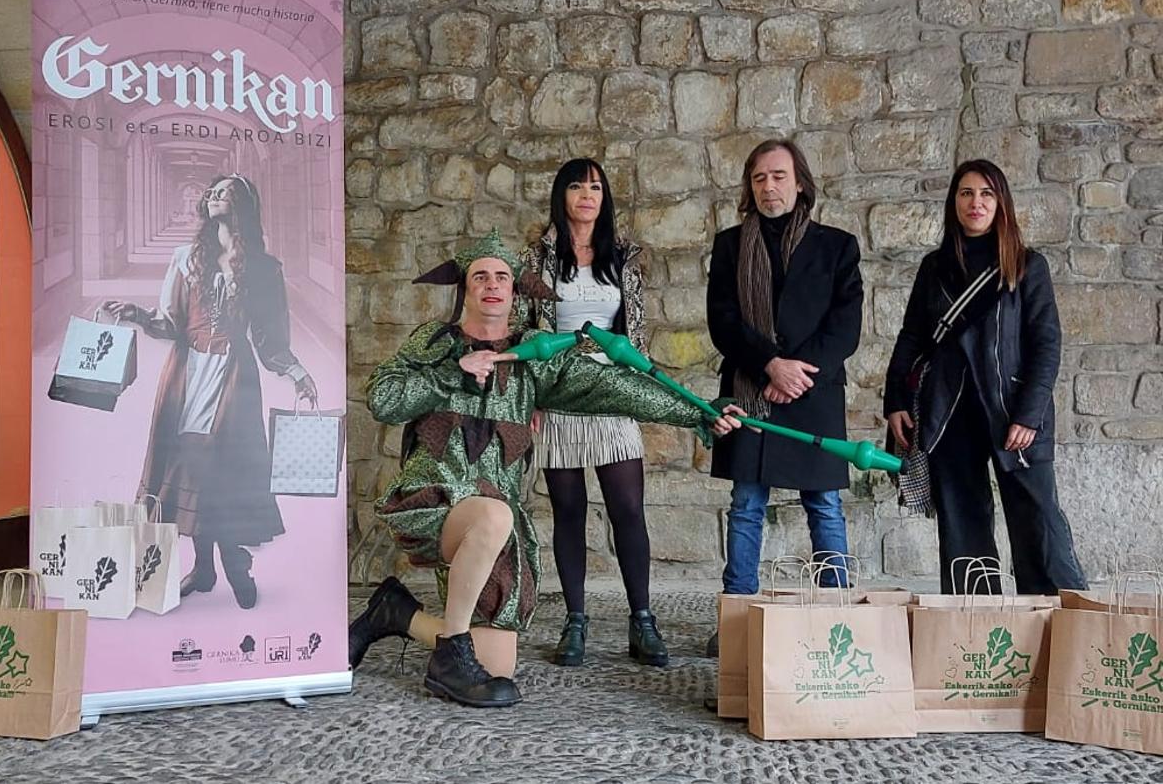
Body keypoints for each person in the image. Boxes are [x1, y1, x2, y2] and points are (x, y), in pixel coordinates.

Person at [345, 229, 741, 707]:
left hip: (495, 528)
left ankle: (396, 614)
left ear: (515, 291)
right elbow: (383, 399)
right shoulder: (436, 341)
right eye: (480, 276)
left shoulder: (536, 355)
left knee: (497, 666)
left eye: (502, 277)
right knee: (493, 514)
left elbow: (613, 386)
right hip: (439, 503)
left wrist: (698, 412)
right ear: (465, 288)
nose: (492, 284)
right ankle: (451, 655)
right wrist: (453, 371)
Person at [105, 174, 317, 610]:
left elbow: (269, 337)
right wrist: (137, 315)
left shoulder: (263, 267)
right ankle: (204, 567)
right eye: (214, 191)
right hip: (186, 375)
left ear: (244, 205)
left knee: (226, 471)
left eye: (228, 192)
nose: (217, 195)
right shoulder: (186, 257)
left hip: (234, 380)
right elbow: (170, 322)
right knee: (189, 466)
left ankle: (234, 564)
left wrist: (297, 372)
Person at [883, 159, 1086, 595]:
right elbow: (912, 337)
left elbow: (1046, 346)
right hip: (949, 415)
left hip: (1014, 414)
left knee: (1039, 526)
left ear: (1001, 204)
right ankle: (973, 632)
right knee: (962, 532)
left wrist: (1029, 415)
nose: (976, 203)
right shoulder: (934, 267)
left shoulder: (1029, 266)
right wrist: (894, 400)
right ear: (954, 202)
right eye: (967, 193)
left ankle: (1063, 628)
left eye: (987, 194)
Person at [705, 138, 863, 656]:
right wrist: (770, 365)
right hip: (752, 386)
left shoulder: (838, 246)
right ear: (750, 189)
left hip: (813, 392)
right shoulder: (730, 246)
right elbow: (723, 322)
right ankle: (736, 619)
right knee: (747, 504)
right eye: (759, 179)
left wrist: (796, 373)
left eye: (778, 176)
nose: (769, 187)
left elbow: (845, 328)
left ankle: (835, 618)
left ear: (800, 182)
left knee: (824, 506)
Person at [519, 158, 667, 668]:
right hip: (560, 392)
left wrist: (641, 384)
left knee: (628, 506)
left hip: (610, 391)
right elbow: (525, 330)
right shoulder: (538, 258)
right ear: (562, 194)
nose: (588, 194)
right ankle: (575, 621)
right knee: (568, 510)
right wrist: (532, 396)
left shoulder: (622, 257)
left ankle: (642, 619)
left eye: (596, 187)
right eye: (578, 186)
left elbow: (636, 328)